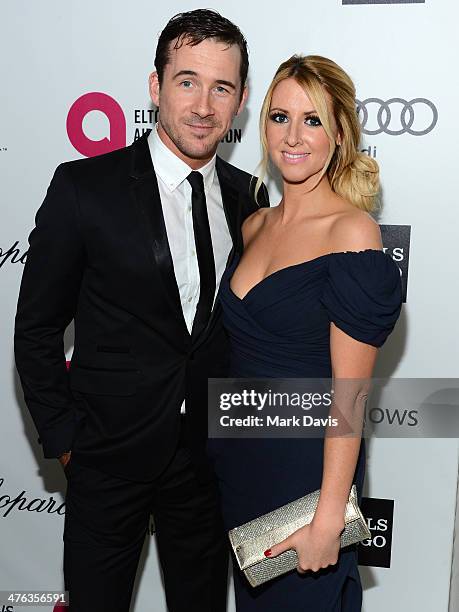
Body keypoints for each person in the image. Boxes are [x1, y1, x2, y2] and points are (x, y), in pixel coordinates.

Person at [14, 9, 269, 612]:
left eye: (221, 87)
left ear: (240, 102)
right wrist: (68, 441)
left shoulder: (250, 200)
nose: (203, 104)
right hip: (106, 460)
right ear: (155, 87)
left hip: (207, 465)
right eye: (187, 81)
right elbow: (37, 329)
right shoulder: (84, 188)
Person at [206, 55, 402, 611]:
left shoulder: (352, 232)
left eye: (312, 120)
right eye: (279, 116)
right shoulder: (254, 224)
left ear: (339, 135)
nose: (293, 136)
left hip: (305, 478)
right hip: (242, 470)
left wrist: (329, 518)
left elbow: (350, 395)